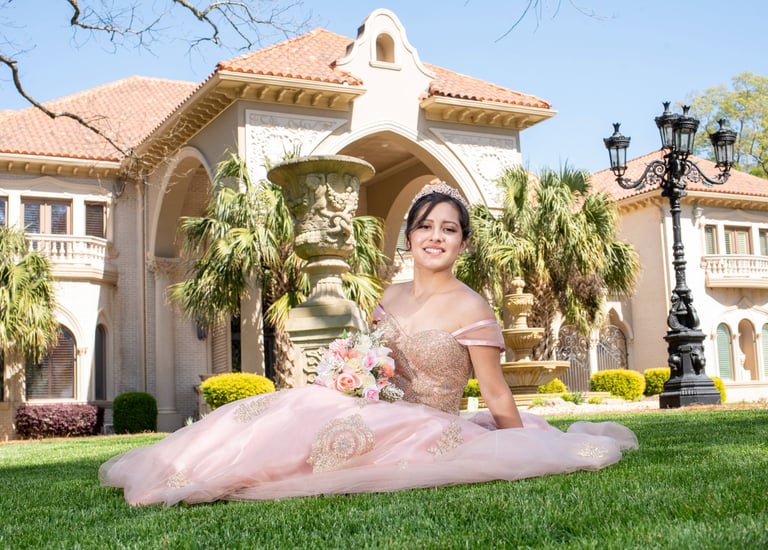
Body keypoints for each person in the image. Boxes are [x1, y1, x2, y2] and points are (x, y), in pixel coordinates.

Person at [99, 180, 638, 506]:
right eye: (426, 227)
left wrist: (522, 447)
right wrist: (347, 374)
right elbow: (368, 356)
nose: (435, 236)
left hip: (430, 428)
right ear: (409, 236)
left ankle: (214, 479)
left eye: (449, 230)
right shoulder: (388, 294)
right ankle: (188, 468)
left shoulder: (474, 307)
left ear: (463, 243)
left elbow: (496, 394)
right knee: (298, 404)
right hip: (372, 409)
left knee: (319, 442)